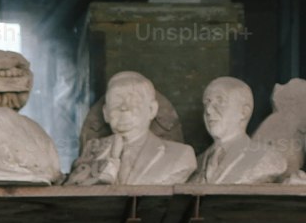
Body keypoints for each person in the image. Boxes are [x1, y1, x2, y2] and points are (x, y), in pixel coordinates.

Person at [68, 71, 196, 185]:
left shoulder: (181, 155)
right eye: (116, 100)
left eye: (133, 99)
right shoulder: (91, 151)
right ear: (106, 113)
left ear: (152, 110)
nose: (124, 107)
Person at [192, 76, 286, 184]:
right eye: (207, 102)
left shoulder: (268, 158)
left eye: (220, 101)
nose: (208, 110)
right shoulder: (196, 164)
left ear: (244, 112)